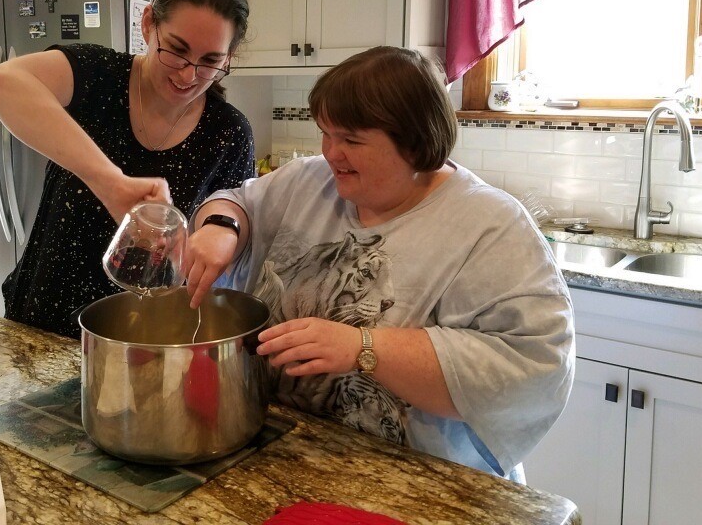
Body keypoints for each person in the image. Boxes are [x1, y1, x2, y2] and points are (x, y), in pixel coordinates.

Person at [183, 46, 574, 481]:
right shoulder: (309, 181)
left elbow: (532, 368)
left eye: (351, 140)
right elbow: (237, 201)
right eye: (326, 133)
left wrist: (363, 349)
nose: (331, 152)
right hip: (287, 456)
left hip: (421, 484)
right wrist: (221, 226)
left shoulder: (491, 227)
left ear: (416, 144)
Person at [0, 0, 255, 338]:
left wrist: (214, 237)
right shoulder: (97, 75)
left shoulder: (229, 132)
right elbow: (0, 82)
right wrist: (108, 181)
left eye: (210, 62)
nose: (188, 75)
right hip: (40, 324)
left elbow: (235, 230)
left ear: (229, 58)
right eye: (176, 49)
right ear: (148, 24)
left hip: (142, 341)